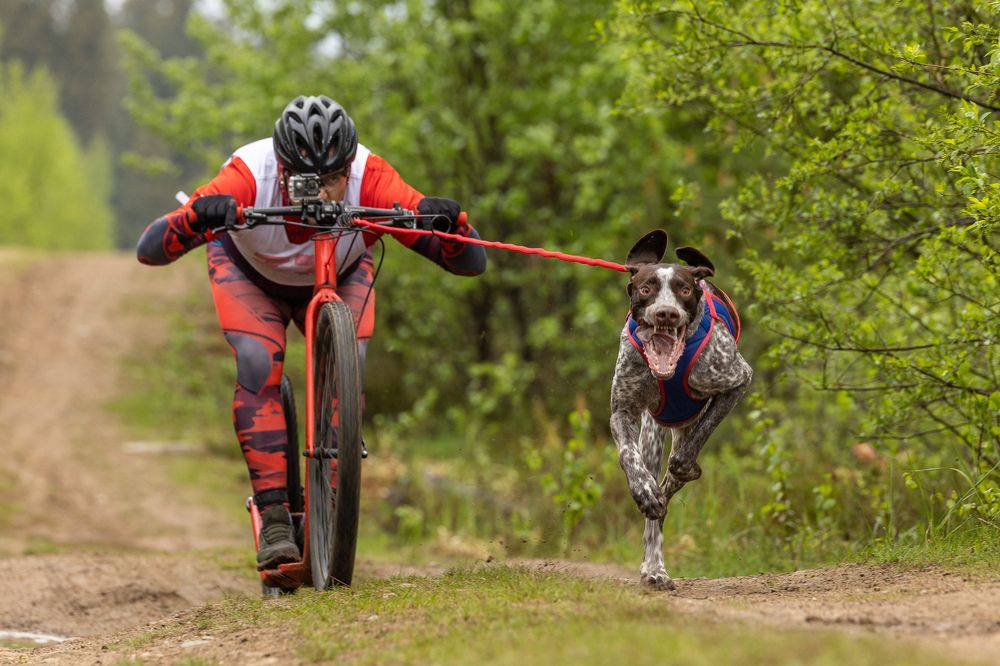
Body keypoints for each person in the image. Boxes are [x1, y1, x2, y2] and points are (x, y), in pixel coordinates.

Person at [136, 95, 487, 570]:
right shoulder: (246, 174)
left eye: (333, 180)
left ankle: (335, 509)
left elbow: (470, 262)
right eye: (305, 180)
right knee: (258, 363)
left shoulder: (374, 178)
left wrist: (451, 226)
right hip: (249, 273)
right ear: (280, 167)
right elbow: (151, 249)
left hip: (341, 269)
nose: (320, 193)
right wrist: (199, 217)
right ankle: (275, 515)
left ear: (350, 167)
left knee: (354, 362)